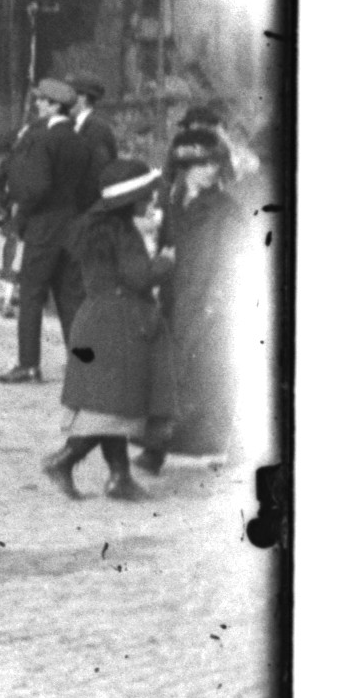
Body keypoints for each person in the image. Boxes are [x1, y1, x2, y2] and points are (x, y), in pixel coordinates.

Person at [40, 165, 170, 502]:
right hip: (120, 322)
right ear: (130, 199)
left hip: (96, 317)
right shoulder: (122, 232)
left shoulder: (94, 226)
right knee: (113, 409)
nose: (150, 202)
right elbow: (139, 277)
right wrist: (165, 263)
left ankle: (119, 477)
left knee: (111, 404)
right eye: (146, 196)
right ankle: (63, 461)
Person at [140, 133, 242, 471]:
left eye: (214, 163)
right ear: (184, 168)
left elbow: (232, 260)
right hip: (174, 300)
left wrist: (216, 301)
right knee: (168, 375)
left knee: (201, 378)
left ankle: (174, 449)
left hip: (207, 303)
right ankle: (155, 448)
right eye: (201, 164)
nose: (210, 170)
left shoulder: (226, 209)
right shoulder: (172, 203)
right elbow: (164, 247)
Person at [0, 78, 95, 385]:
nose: (37, 104)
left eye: (42, 101)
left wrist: (19, 213)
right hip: (72, 224)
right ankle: (83, 364)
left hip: (43, 226)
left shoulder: (43, 139)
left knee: (31, 295)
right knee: (70, 297)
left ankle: (28, 364)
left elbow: (36, 187)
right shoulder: (80, 140)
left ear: (54, 106)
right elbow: (89, 188)